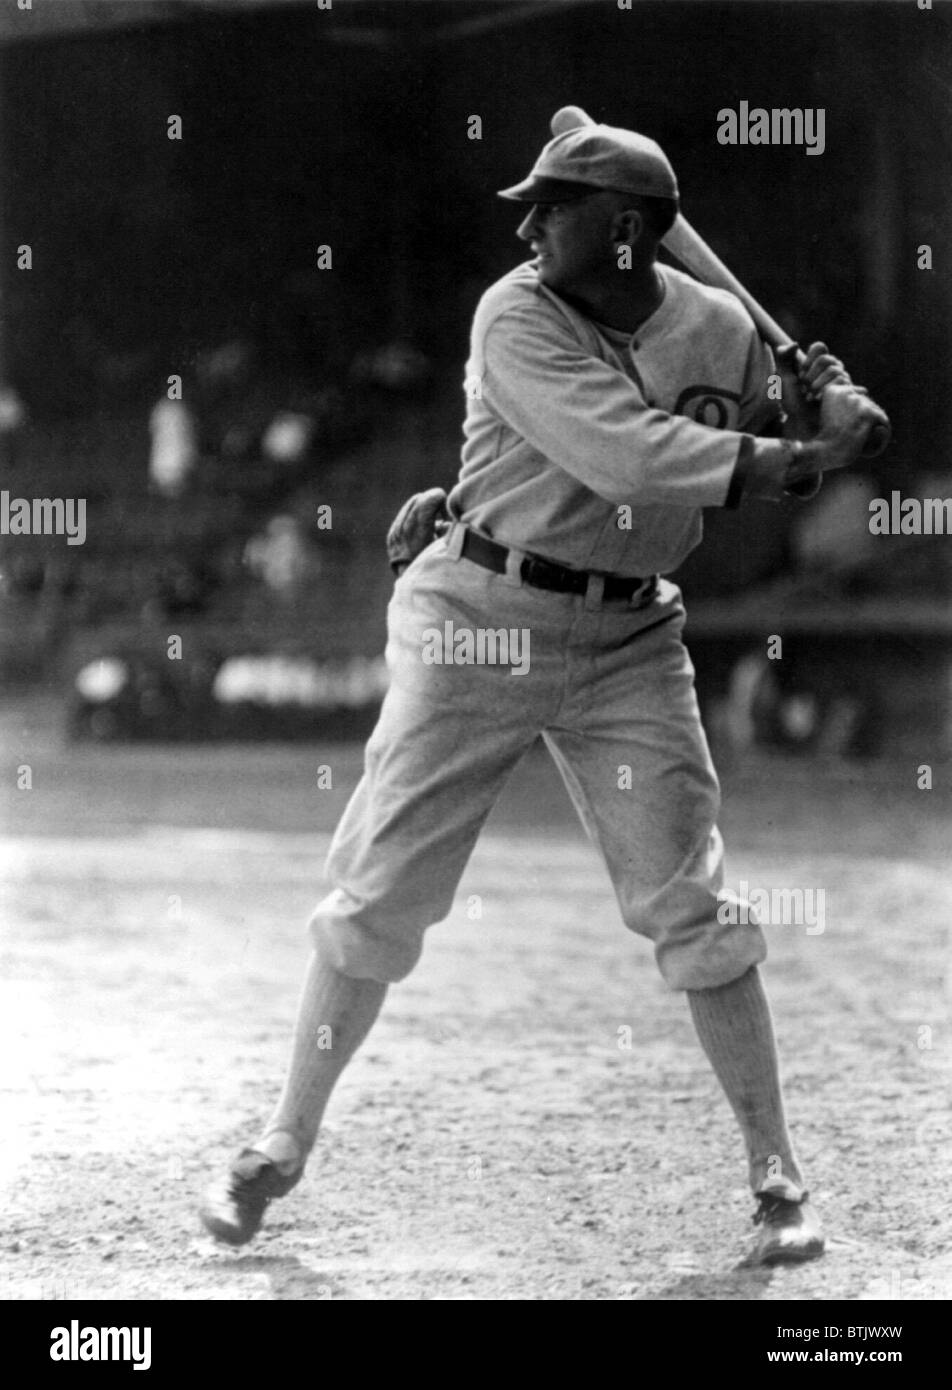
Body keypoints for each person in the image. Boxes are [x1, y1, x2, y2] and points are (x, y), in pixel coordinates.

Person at [199, 109, 877, 1265]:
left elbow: (755, 445)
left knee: (696, 910)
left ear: (623, 233)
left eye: (551, 206)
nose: (525, 223)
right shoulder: (512, 312)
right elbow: (625, 451)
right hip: (480, 620)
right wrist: (798, 455)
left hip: (628, 642)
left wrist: (814, 415)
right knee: (379, 895)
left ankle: (776, 1175)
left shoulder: (718, 329)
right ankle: (279, 1141)